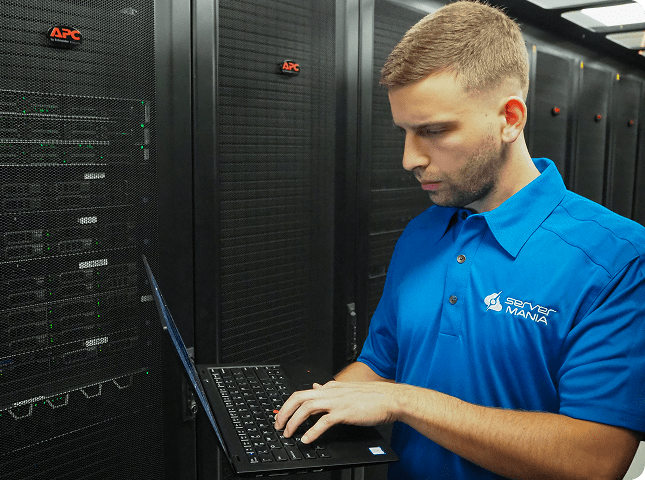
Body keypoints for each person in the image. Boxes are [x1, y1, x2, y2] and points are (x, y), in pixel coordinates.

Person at [273, 1, 645, 479]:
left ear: (510, 119)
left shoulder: (618, 258)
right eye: (405, 132)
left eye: (433, 131)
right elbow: (379, 363)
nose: (410, 159)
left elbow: (594, 461)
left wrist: (405, 401)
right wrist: (309, 414)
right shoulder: (423, 232)